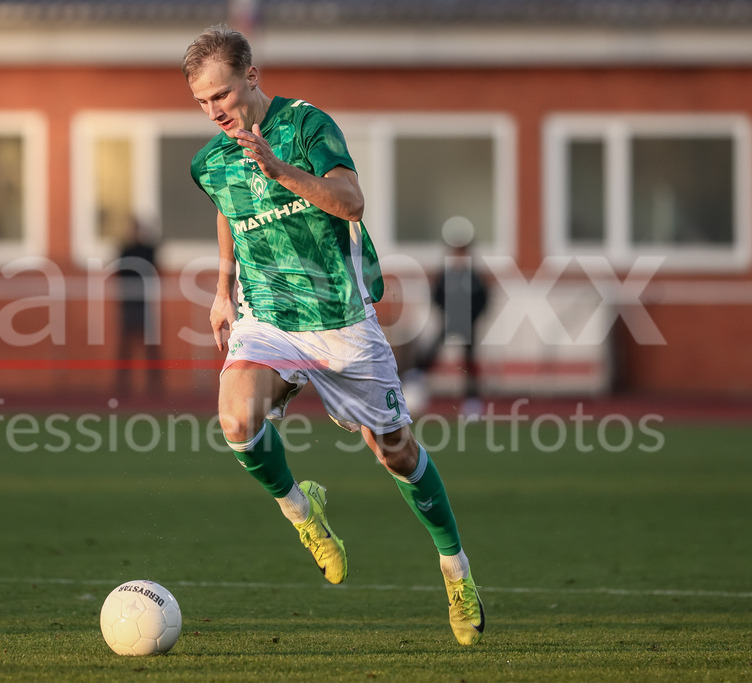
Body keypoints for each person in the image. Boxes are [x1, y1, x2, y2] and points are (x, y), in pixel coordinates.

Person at [182, 25, 484, 645]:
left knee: (396, 451)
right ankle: (302, 511)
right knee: (236, 421)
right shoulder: (209, 162)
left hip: (342, 321)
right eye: (202, 102)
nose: (214, 110)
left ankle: (456, 569)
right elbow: (229, 207)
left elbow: (351, 203)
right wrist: (221, 289)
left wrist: (278, 167)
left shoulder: (308, 126)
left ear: (251, 78)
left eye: (221, 95)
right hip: (268, 316)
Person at [404, 220, 489, 419]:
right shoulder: (446, 275)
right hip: (449, 322)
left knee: (469, 361)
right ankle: (414, 388)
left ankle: (472, 401)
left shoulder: (473, 276)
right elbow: (437, 297)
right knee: (430, 354)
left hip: (468, 324)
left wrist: (471, 318)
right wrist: (447, 315)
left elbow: (483, 299)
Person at [115, 217, 161, 395]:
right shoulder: (125, 250)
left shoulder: (147, 250)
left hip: (146, 305)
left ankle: (155, 386)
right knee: (126, 347)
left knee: (151, 346)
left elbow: (152, 268)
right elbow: (121, 273)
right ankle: (122, 386)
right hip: (129, 304)